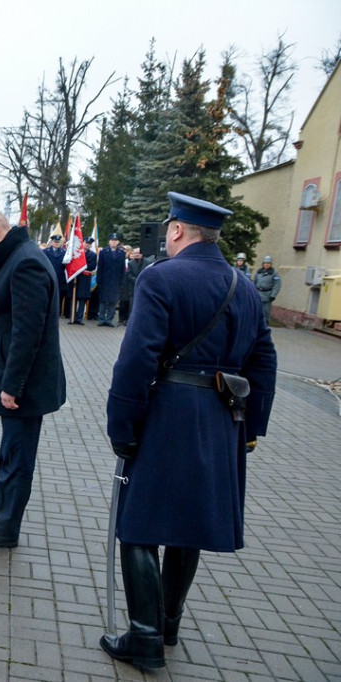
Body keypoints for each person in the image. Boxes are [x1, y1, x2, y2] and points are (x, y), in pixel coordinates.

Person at [102, 192, 277, 670]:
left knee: (137, 525)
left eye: (167, 227)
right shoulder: (243, 286)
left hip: (169, 414)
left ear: (177, 230)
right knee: (187, 527)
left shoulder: (162, 277)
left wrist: (122, 424)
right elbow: (264, 360)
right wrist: (252, 427)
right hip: (223, 417)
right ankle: (169, 622)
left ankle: (144, 636)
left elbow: (137, 358)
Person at [0, 208, 66, 549]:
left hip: (24, 387)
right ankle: (0, 515)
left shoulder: (26, 263)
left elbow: (27, 332)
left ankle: (6, 527)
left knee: (18, 457)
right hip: (20, 383)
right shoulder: (17, 256)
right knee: (10, 453)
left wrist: (11, 385)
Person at [96, 233, 126, 326]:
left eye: (115, 240)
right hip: (105, 280)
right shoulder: (103, 252)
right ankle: (101, 319)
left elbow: (122, 269)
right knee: (103, 300)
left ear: (118, 242)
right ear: (109, 241)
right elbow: (100, 267)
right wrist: (99, 279)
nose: (114, 242)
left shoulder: (122, 253)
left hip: (116, 281)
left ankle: (109, 319)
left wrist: (122, 281)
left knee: (113, 301)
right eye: (112, 240)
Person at [70, 239, 98, 324]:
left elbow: (92, 266)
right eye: (86, 243)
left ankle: (79, 317)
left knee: (82, 299)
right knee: (73, 297)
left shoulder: (93, 255)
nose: (87, 245)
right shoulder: (76, 252)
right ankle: (72, 316)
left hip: (85, 279)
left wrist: (81, 265)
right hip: (76, 278)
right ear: (83, 243)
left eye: (89, 244)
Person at [253, 255, 281, 322]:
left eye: (268, 263)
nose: (266, 264)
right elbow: (254, 282)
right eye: (265, 263)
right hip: (258, 293)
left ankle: (265, 326)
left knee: (265, 313)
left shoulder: (274, 273)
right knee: (255, 311)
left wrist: (273, 295)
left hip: (267, 295)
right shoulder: (259, 272)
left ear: (271, 264)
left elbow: (277, 285)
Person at [119, 247, 143, 324]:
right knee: (131, 304)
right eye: (135, 253)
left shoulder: (147, 262)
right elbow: (128, 274)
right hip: (132, 286)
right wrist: (136, 280)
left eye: (138, 253)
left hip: (143, 285)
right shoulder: (131, 263)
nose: (136, 254)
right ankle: (128, 320)